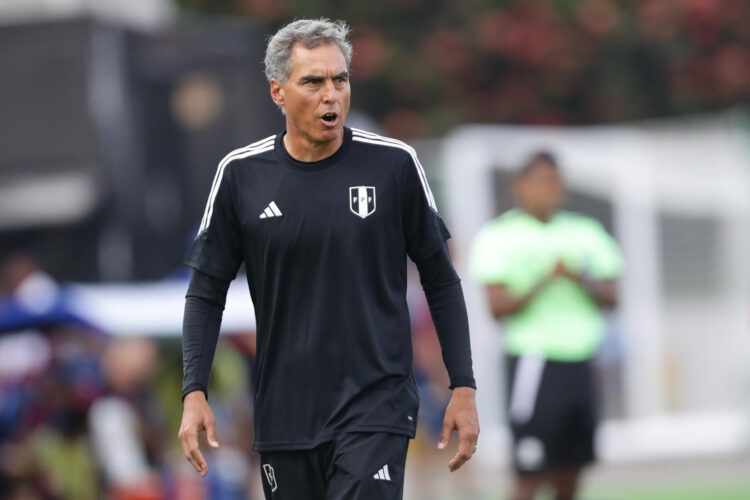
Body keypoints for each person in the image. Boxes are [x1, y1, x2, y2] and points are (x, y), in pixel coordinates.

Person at [178, 18, 479, 500]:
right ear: (278, 91)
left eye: (340, 80)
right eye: (313, 81)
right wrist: (194, 391)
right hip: (284, 416)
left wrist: (462, 386)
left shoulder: (394, 165)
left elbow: (440, 280)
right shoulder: (239, 175)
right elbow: (205, 292)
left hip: (376, 408)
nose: (331, 94)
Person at [469, 152, 622, 500]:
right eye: (540, 181)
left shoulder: (585, 231)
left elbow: (613, 296)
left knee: (573, 468)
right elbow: (497, 307)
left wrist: (579, 278)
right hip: (534, 361)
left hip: (581, 360)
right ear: (520, 186)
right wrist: (543, 280)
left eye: (554, 181)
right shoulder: (499, 235)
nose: (548, 189)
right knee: (531, 469)